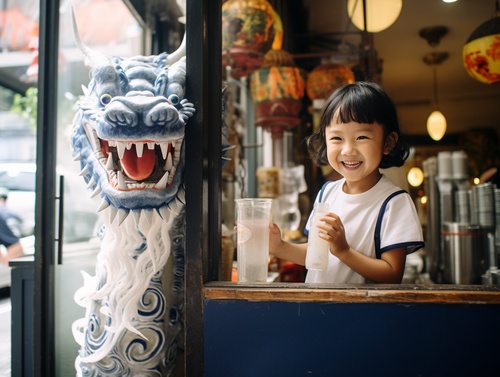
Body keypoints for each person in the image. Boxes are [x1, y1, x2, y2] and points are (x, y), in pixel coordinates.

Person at [269, 81, 424, 284]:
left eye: (361, 137)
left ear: (388, 142)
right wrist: (278, 246)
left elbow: (392, 274)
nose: (348, 150)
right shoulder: (327, 192)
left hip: (358, 313)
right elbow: (317, 255)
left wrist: (344, 251)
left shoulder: (394, 202)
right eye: (336, 138)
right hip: (317, 310)